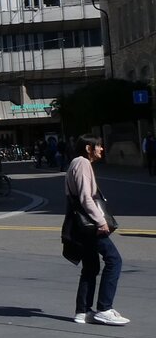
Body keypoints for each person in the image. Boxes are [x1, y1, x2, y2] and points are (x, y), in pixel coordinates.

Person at [65, 134, 127, 325]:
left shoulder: (75, 163)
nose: (101, 149)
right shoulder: (82, 163)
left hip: (79, 223)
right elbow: (86, 198)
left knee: (90, 267)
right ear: (88, 148)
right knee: (114, 260)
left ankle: (82, 311)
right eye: (98, 146)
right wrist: (101, 222)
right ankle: (104, 308)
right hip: (90, 224)